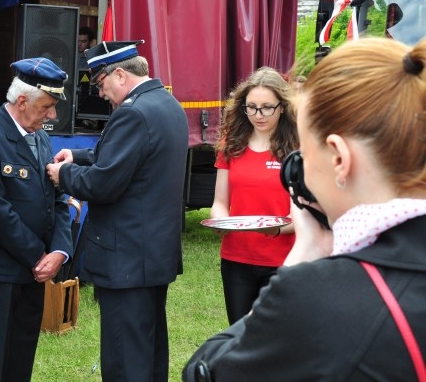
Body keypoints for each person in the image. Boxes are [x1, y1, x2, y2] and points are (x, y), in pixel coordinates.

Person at [184, 37, 426, 381]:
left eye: (305, 158)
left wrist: (303, 256)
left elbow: (210, 370)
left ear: (339, 158)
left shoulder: (324, 290)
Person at [46, 40, 189, 382]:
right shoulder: (166, 104)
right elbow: (129, 159)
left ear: (121, 75)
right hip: (152, 254)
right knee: (149, 352)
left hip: (127, 257)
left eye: (100, 83)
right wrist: (78, 156)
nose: (101, 93)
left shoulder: (132, 113)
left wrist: (64, 174)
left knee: (125, 361)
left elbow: (103, 184)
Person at [0, 58, 74, 382]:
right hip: (1, 274)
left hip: (36, 274)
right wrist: (37, 255)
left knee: (21, 359)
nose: (52, 115)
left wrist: (59, 252)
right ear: (23, 101)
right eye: (47, 107)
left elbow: (57, 198)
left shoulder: (40, 137)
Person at [208, 67, 298, 324]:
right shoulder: (231, 144)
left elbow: (302, 212)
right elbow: (220, 202)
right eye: (252, 107)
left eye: (267, 108)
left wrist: (276, 229)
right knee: (239, 332)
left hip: (283, 260)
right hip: (237, 258)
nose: (258, 115)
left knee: (276, 335)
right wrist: (220, 221)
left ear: (283, 107)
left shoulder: (297, 148)